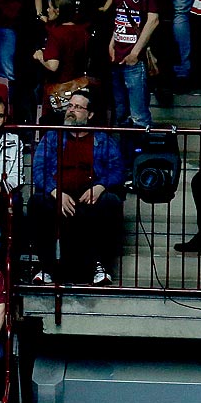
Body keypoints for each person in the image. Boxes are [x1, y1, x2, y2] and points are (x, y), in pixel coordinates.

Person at [28, 89, 125, 285]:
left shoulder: (103, 139)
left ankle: (100, 266)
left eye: (78, 107)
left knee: (110, 202)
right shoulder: (52, 136)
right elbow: (39, 169)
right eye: (70, 106)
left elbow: (118, 170)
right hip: (58, 192)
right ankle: (46, 267)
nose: (71, 111)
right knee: (37, 202)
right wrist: (55, 191)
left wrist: (100, 187)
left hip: (89, 194)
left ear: (90, 115)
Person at [105, 0, 163, 128]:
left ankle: (142, 156)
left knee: (139, 116)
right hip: (117, 56)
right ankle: (123, 157)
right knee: (121, 115)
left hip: (133, 58)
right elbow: (120, 14)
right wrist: (112, 42)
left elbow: (153, 19)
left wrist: (136, 52)